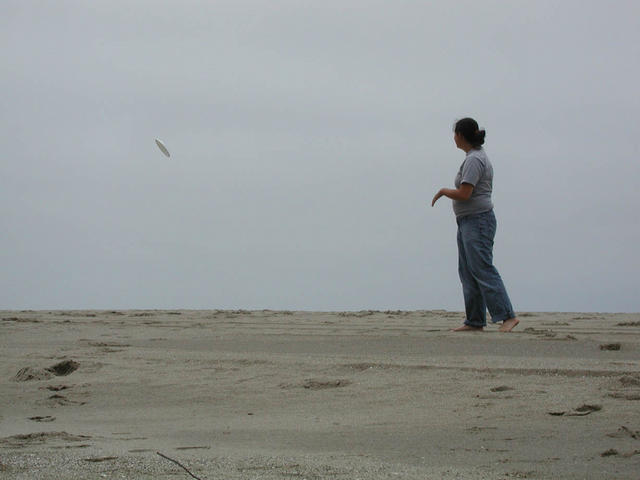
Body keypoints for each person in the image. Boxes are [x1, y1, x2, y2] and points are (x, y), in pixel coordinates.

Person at [432, 118, 519, 332]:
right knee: (467, 271)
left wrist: (443, 191)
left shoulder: (475, 159)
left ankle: (507, 316)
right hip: (467, 221)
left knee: (482, 267)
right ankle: (474, 320)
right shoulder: (473, 157)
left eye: (455, 134)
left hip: (478, 221)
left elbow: (465, 193)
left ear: (461, 135)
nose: (454, 138)